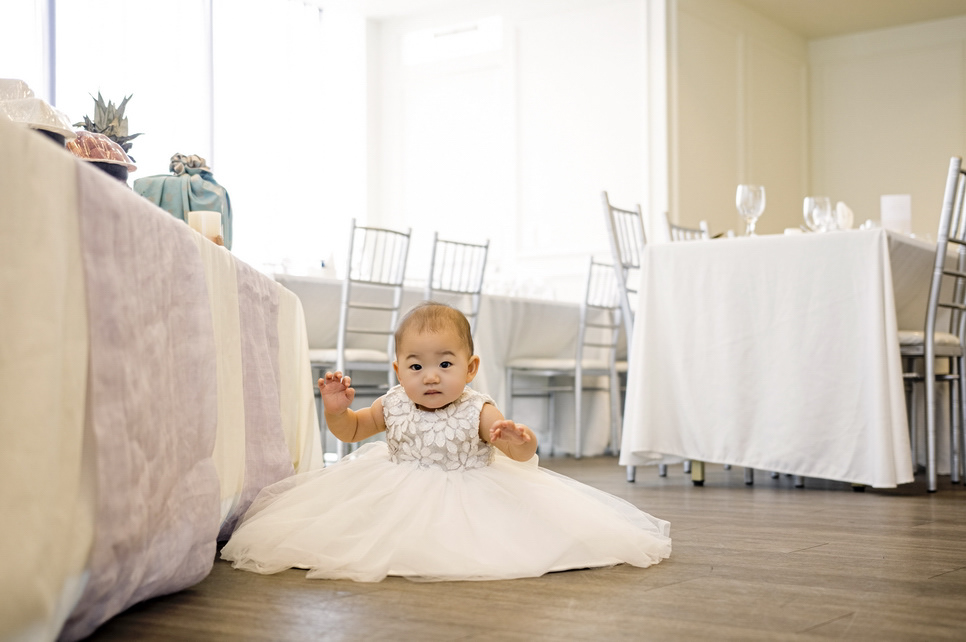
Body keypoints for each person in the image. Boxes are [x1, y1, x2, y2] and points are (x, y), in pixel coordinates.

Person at [221, 302, 671, 582]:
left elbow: (519, 455)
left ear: (470, 368)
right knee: (347, 536)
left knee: (489, 541)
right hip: (394, 487)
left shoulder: (478, 409)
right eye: (416, 366)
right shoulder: (392, 402)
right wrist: (337, 411)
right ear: (398, 370)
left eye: (445, 364)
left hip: (468, 488)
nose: (431, 376)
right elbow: (352, 432)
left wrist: (519, 439)